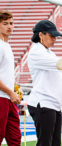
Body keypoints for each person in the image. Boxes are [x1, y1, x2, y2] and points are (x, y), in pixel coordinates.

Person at [0, 10, 21, 146]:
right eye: (5, 23)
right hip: (2, 96)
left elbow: (5, 72)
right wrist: (10, 91)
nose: (9, 26)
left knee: (15, 136)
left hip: (8, 96)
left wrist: (15, 87)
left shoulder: (7, 46)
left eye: (12, 23)